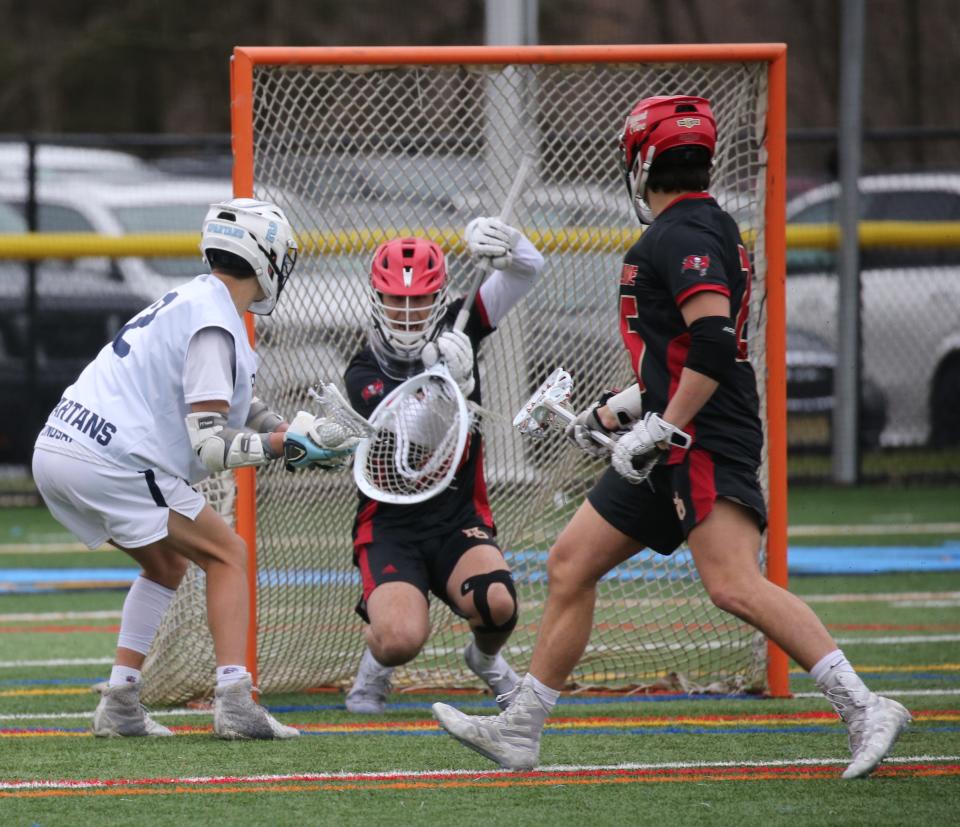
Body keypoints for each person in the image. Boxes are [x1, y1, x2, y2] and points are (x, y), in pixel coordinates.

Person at [431, 96, 912, 779]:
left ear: (641, 162)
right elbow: (686, 354)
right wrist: (619, 411)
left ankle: (864, 704)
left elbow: (714, 346)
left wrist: (663, 424)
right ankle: (522, 728)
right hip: (674, 434)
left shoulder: (680, 235)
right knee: (572, 561)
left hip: (701, 436)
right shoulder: (703, 225)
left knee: (733, 584)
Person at [31, 198, 354, 739]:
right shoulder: (215, 322)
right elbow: (209, 447)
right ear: (265, 254)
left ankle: (121, 703)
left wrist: (286, 427)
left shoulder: (196, 300)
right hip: (109, 459)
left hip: (59, 449)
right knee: (228, 553)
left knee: (167, 565)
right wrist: (283, 445)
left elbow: (230, 403)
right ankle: (235, 701)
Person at [342, 217, 544, 714]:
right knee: (400, 638)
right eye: (397, 300)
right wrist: (451, 377)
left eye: (419, 301)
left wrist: (508, 242)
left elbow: (527, 271)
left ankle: (488, 662)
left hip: (457, 519)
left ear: (439, 298)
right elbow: (415, 438)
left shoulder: (462, 324)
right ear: (377, 299)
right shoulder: (362, 372)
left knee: (497, 602)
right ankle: (376, 665)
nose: (409, 313)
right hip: (391, 524)